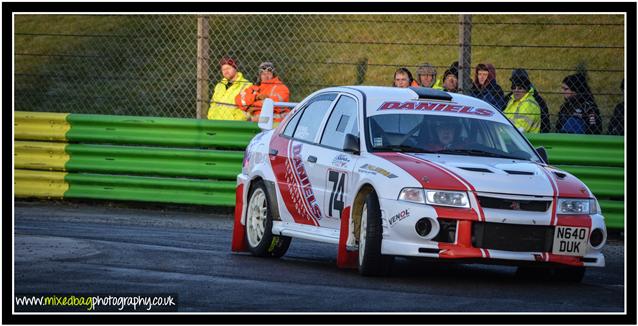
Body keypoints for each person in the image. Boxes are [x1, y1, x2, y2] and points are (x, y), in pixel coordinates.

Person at [208, 56, 253, 121]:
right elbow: (213, 105)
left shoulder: (246, 85)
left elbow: (247, 110)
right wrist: (211, 118)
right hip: (216, 124)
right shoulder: (219, 86)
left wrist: (235, 121)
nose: (226, 71)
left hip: (233, 126)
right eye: (223, 69)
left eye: (228, 68)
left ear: (235, 68)